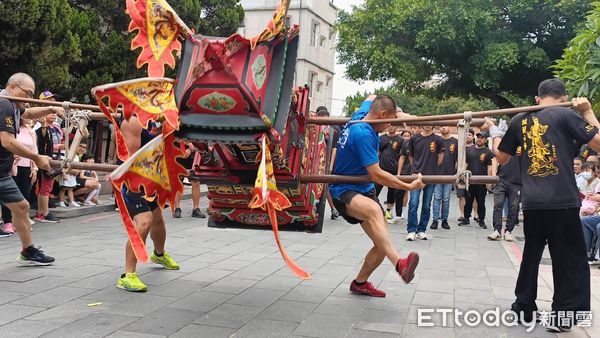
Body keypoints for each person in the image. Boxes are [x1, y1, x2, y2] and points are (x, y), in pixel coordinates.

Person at [483, 78, 598, 331]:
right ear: (563, 96)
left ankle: (523, 306)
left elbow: (501, 157)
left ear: (538, 98)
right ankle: (563, 315)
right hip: (562, 200)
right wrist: (588, 111)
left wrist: (494, 133)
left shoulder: (519, 119)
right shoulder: (566, 115)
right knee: (568, 258)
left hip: (533, 201)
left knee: (531, 255)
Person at [329, 94, 423, 297]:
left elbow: (373, 96)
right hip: (344, 190)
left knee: (382, 244)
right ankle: (400, 264)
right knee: (373, 211)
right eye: (389, 120)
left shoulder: (362, 113)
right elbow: (376, 174)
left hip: (364, 190)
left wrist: (398, 112)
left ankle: (360, 283)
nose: (391, 126)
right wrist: (408, 186)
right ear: (381, 114)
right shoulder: (362, 133)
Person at [0, 73, 63, 264]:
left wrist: (50, 108)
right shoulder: (4, 104)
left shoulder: (13, 105)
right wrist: (36, 157)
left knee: (22, 207)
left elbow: (27, 114)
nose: (28, 99)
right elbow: (7, 140)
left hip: (2, 173)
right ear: (12, 87)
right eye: (26, 93)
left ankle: (27, 251)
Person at [117, 117, 180, 292]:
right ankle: (128, 275)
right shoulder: (133, 121)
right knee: (145, 221)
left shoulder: (162, 117)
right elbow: (133, 158)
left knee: (158, 218)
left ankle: (159, 254)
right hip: (131, 180)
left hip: (150, 179)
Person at [406, 120, 444, 241]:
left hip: (431, 176)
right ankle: (411, 230)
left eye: (430, 123)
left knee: (426, 205)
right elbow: (410, 156)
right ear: (422, 124)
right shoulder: (414, 138)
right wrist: (415, 169)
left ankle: (421, 230)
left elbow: (440, 157)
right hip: (416, 176)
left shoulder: (438, 140)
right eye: (426, 122)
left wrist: (431, 169)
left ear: (433, 124)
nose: (428, 124)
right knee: (413, 203)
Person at [1, 116, 38, 234]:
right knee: (9, 197)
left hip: (27, 166)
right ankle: (8, 222)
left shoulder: (30, 131)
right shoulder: (11, 129)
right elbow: (7, 144)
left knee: (24, 195)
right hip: (12, 166)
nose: (30, 119)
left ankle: (22, 222)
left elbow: (34, 150)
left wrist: (35, 168)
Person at [459, 132, 493, 228]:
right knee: (468, 201)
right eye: (478, 137)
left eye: (482, 138)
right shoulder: (470, 150)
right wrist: (462, 176)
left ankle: (481, 220)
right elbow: (466, 164)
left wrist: (488, 181)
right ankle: (466, 219)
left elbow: (489, 167)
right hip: (469, 181)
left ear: (486, 140)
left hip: (481, 181)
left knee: (481, 202)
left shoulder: (488, 152)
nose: (479, 139)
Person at [33, 106, 60, 223]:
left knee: (47, 187)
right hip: (44, 160)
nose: (53, 115)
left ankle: (42, 212)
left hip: (52, 159)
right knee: (45, 187)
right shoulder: (39, 127)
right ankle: (43, 213)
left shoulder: (54, 128)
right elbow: (42, 143)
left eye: (54, 113)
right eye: (50, 113)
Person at [488, 147, 522, 241]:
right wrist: (494, 176)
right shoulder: (506, 142)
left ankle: (508, 231)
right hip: (501, 179)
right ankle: (497, 230)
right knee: (498, 205)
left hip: (517, 182)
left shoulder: (526, 143)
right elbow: (495, 158)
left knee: (513, 207)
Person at [315, 106, 341, 220]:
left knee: (326, 185)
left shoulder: (334, 129)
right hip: (313, 159)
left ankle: (333, 208)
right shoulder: (314, 127)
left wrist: (330, 165)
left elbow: (334, 148)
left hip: (326, 160)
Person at [375, 125, 404, 221]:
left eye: (393, 125)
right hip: (381, 169)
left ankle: (388, 211)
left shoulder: (400, 140)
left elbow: (401, 157)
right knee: (375, 191)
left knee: (391, 193)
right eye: (390, 125)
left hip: (393, 170)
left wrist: (399, 172)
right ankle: (377, 210)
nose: (391, 127)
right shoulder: (381, 138)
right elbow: (377, 152)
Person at [431, 126, 458, 229]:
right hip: (436, 174)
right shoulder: (436, 140)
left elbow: (458, 159)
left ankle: (445, 220)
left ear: (450, 128)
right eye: (441, 126)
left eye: (445, 126)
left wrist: (456, 173)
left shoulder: (455, 142)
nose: (443, 128)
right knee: (437, 198)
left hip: (449, 174)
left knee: (446, 199)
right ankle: (435, 220)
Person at [173, 142, 206, 218]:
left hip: (193, 156)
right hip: (177, 152)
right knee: (177, 182)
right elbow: (173, 135)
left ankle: (196, 209)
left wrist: (190, 149)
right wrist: (188, 144)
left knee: (195, 182)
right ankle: (177, 208)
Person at [457, 128, 475, 222]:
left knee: (474, 196)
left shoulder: (476, 147)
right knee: (461, 195)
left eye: (469, 135)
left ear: (473, 137)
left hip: (473, 175)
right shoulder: (460, 147)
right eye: (466, 135)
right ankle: (462, 214)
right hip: (461, 175)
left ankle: (476, 214)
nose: (467, 136)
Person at [394, 129, 413, 222]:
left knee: (410, 193)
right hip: (404, 171)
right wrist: (398, 172)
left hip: (414, 171)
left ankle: (405, 211)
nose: (406, 137)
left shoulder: (415, 142)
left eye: (408, 136)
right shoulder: (404, 144)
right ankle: (399, 213)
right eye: (404, 136)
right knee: (399, 192)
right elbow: (401, 158)